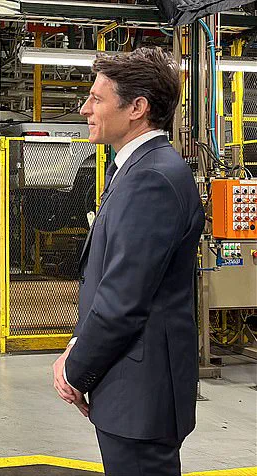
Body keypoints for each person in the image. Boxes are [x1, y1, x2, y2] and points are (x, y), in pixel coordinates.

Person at [52, 47, 204, 475]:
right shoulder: (138, 170)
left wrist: (75, 371)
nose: (85, 109)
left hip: (140, 393)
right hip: (131, 387)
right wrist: (77, 346)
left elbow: (123, 300)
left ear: (137, 108)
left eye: (97, 99)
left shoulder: (151, 179)